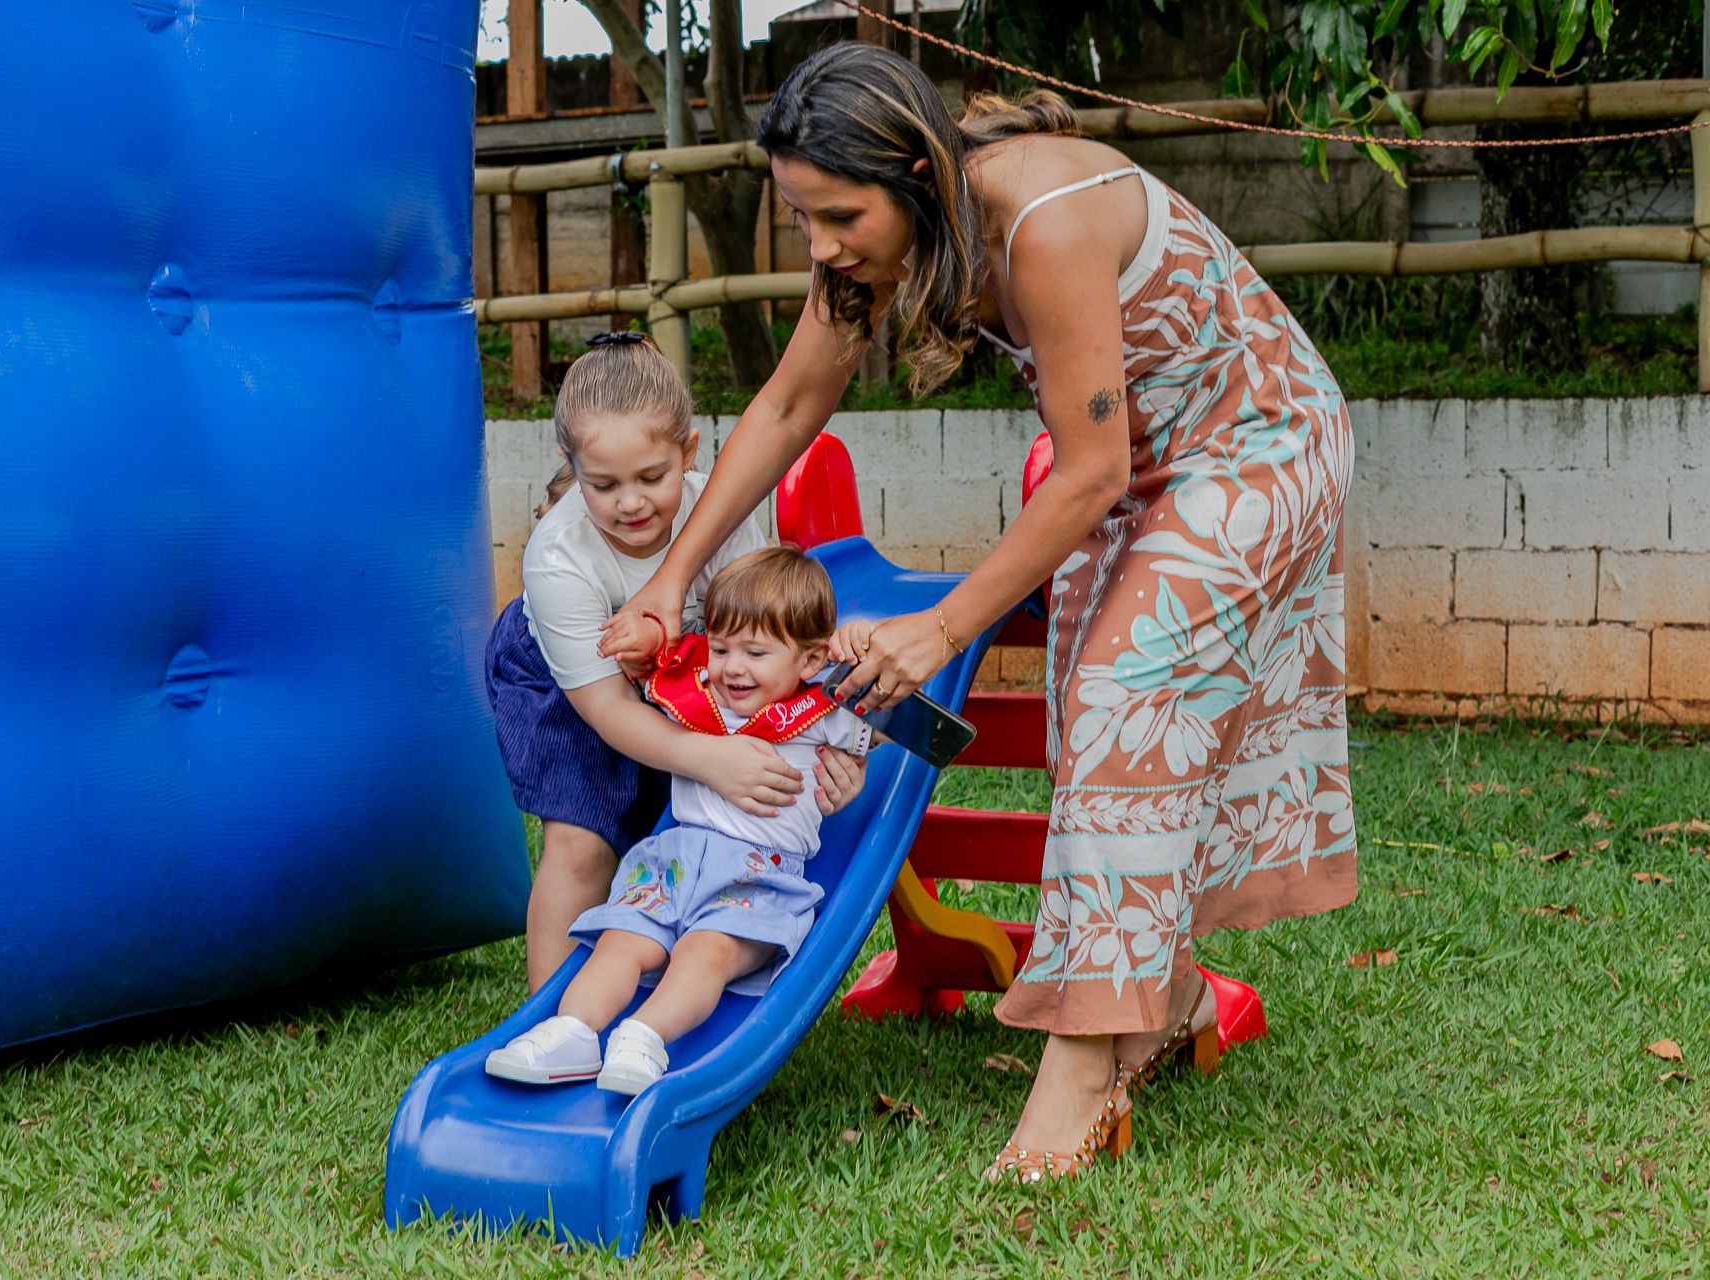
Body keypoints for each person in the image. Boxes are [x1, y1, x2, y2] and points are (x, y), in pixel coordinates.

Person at [607, 44, 1357, 1181]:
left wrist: (943, 627)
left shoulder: (1043, 221)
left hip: (1254, 445)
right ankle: (1170, 1001)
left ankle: (1082, 1076)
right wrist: (674, 576)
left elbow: (1090, 469)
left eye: (840, 216)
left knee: (1122, 698)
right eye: (802, 216)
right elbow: (790, 402)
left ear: (915, 170)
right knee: (1090, 732)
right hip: (1134, 465)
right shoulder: (879, 238)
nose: (823, 245)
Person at [483, 332, 866, 995]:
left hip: (688, 671)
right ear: (570, 464)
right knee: (583, 840)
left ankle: (650, 979)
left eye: (652, 478)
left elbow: (768, 644)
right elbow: (607, 710)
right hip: (567, 684)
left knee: (675, 826)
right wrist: (708, 757)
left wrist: (839, 757)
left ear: (688, 453)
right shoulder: (559, 556)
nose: (630, 503)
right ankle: (547, 1015)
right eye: (603, 484)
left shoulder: (722, 513)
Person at [486, 546, 870, 1095]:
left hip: (758, 880)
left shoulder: (822, 712)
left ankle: (644, 1035)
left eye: (755, 653)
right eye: (722, 647)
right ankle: (573, 1032)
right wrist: (643, 637)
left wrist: (860, 652)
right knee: (620, 942)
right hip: (674, 865)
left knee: (703, 952)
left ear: (809, 662)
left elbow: (891, 716)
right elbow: (652, 665)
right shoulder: (700, 694)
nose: (733, 667)